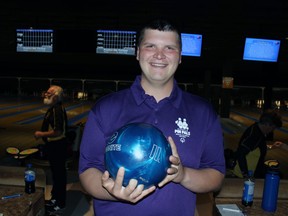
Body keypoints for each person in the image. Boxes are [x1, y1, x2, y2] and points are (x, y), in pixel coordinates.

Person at [78, 19, 225, 216]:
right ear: (138, 52)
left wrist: (183, 175)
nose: (159, 55)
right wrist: (114, 192)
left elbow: (216, 175)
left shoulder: (203, 112)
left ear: (180, 56)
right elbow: (87, 171)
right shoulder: (106, 108)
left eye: (169, 48)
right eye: (150, 46)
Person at [34, 85, 68, 214]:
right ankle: (55, 198)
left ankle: (60, 203)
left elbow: (58, 132)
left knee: (59, 176)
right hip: (55, 146)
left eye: (49, 93)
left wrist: (40, 134)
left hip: (58, 146)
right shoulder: (53, 108)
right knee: (56, 175)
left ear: (55, 96)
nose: (46, 95)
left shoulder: (57, 109)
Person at [233, 110, 283, 178]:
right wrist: (245, 175)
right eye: (273, 128)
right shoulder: (254, 135)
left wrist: (272, 146)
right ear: (267, 124)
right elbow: (240, 154)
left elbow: (256, 148)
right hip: (244, 176)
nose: (272, 130)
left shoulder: (259, 131)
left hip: (253, 173)